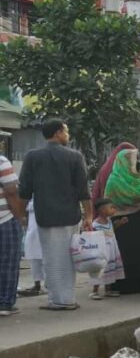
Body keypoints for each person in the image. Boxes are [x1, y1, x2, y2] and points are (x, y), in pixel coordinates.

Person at [18, 119, 92, 311]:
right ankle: (67, 298)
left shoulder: (32, 156)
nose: (68, 135)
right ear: (58, 133)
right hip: (70, 216)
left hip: (46, 216)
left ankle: (58, 299)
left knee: (51, 257)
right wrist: (89, 216)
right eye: (66, 132)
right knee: (68, 257)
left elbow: (24, 190)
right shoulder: (75, 157)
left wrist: (21, 215)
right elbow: (84, 190)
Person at [101, 144, 140, 295]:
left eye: (136, 158)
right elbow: (107, 205)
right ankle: (123, 287)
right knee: (125, 254)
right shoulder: (113, 180)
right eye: (132, 159)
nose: (136, 162)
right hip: (122, 224)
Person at [0, 153, 25, 317]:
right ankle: (5, 302)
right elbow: (11, 191)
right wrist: (20, 216)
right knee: (8, 261)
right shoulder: (1, 161)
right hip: (4, 219)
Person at [88, 199, 125, 300]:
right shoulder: (95, 224)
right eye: (111, 208)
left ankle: (108, 290)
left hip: (111, 250)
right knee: (100, 270)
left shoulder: (109, 221)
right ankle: (94, 291)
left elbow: (113, 228)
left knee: (110, 269)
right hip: (102, 251)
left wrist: (120, 223)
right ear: (102, 210)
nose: (114, 210)